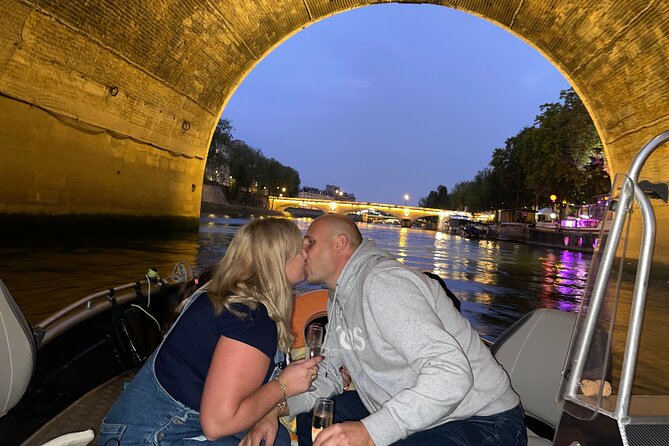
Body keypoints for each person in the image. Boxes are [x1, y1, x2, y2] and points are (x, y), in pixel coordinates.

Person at [243, 214, 526, 446]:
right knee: (318, 418)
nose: (302, 253)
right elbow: (327, 374)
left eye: (311, 243)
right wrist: (276, 408)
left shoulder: (383, 284)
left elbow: (451, 373)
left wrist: (369, 433)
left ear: (340, 244)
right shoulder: (339, 296)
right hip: (411, 408)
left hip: (483, 419)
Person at [99, 218, 323, 445]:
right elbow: (217, 425)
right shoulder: (250, 317)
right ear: (277, 260)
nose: (306, 254)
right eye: (300, 248)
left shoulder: (225, 294)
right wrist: (283, 386)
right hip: (149, 436)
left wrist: (268, 412)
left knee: (277, 439)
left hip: (132, 426)